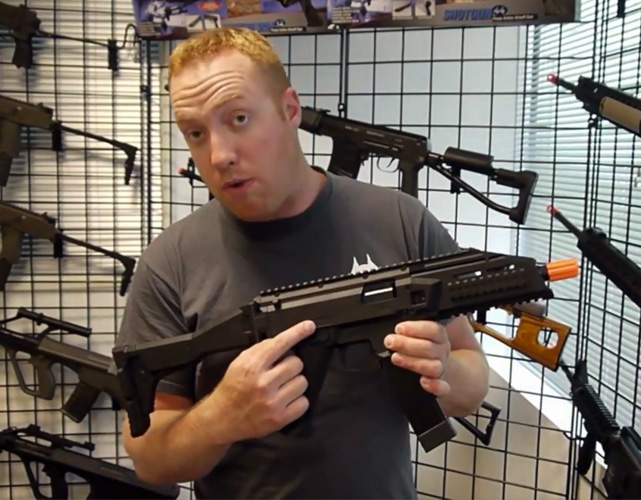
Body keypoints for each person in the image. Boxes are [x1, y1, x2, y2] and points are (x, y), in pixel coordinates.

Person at [113, 26, 490, 499]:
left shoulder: (399, 220)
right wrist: (220, 418)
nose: (220, 155)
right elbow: (150, 460)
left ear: (290, 109)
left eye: (240, 118)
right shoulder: (171, 263)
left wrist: (443, 371)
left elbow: (472, 377)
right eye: (195, 133)